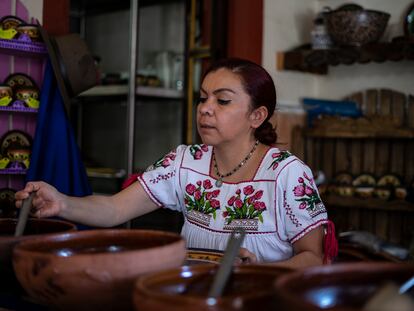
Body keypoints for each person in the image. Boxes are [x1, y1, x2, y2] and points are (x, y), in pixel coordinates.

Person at [15, 58, 336, 268]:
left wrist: (258, 271)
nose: (206, 109)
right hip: (191, 297)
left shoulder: (286, 173)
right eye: (203, 97)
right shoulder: (185, 161)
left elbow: (313, 256)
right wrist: (61, 202)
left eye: (222, 101)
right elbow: (114, 209)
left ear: (256, 115)